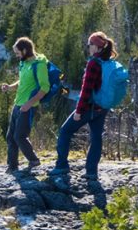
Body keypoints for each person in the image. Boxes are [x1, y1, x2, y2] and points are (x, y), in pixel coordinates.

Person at [49, 31, 117, 180]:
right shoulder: (110, 62)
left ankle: (61, 166)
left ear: (97, 46)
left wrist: (79, 111)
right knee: (96, 137)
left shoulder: (94, 63)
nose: (88, 47)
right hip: (102, 107)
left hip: (89, 107)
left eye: (90, 44)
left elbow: (86, 89)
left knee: (65, 131)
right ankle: (92, 172)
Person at [0, 37, 50, 173]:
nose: (16, 56)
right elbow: (22, 81)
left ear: (25, 50)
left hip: (28, 107)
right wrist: (10, 87)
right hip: (17, 105)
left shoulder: (39, 64)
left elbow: (44, 88)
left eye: (17, 53)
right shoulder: (24, 63)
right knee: (10, 137)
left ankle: (34, 160)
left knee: (19, 136)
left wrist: (29, 104)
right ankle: (12, 166)